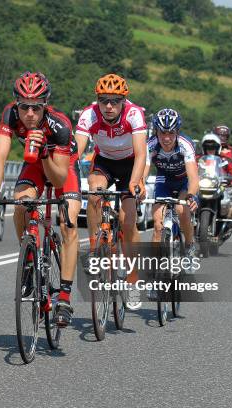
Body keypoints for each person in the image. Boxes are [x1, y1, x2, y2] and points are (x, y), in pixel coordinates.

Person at [0, 72, 81, 328]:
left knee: (68, 224)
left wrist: (47, 152)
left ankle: (66, 297)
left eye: (36, 107)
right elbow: (0, 156)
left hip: (61, 165)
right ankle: (29, 261)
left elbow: (58, 180)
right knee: (20, 204)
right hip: (35, 164)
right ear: (16, 104)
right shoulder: (10, 115)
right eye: (24, 106)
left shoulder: (59, 125)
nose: (29, 113)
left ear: (45, 105)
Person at [74, 73, 147, 310]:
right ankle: (96, 248)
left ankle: (133, 279)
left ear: (123, 101)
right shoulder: (90, 114)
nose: (108, 106)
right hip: (104, 161)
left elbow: (142, 154)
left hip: (130, 164)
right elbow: (76, 150)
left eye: (114, 101)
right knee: (94, 194)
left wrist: (137, 182)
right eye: (104, 100)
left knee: (127, 222)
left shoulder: (134, 114)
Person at [143, 109, 199, 260]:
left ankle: (189, 246)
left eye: (171, 133)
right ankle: (154, 268)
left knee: (182, 210)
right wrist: (139, 189)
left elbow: (194, 178)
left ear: (177, 132)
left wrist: (191, 196)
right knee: (157, 224)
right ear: (156, 132)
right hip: (164, 180)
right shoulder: (150, 144)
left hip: (184, 181)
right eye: (162, 133)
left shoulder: (185, 144)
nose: (166, 138)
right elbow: (143, 172)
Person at [200, 134, 232, 227]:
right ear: (203, 148)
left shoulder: (224, 160)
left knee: (231, 194)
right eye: (208, 147)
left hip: (220, 184)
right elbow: (190, 168)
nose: (210, 150)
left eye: (213, 147)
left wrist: (231, 176)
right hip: (202, 184)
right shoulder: (198, 159)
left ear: (218, 148)